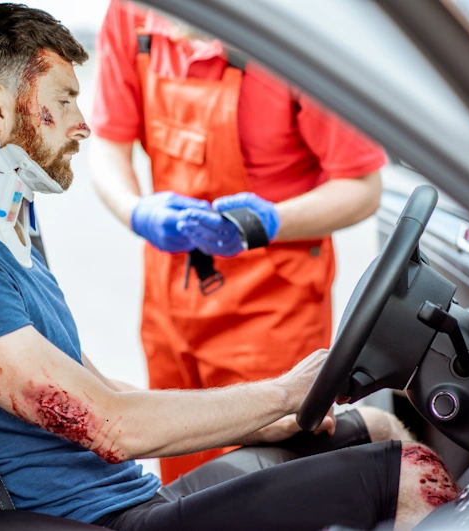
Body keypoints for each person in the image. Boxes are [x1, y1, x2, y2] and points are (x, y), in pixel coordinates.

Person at [0, 3, 458, 530]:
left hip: (138, 485)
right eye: (63, 101)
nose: (81, 123)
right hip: (108, 518)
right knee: (407, 478)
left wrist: (265, 421)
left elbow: (100, 389)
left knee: (380, 430)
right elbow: (109, 424)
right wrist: (284, 392)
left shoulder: (2, 246)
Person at [89, 0, 386, 482]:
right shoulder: (131, 13)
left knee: (266, 485)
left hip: (271, 315)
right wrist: (135, 209)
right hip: (172, 306)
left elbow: (362, 188)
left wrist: (268, 222)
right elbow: (108, 143)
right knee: (183, 482)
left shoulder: (291, 29)